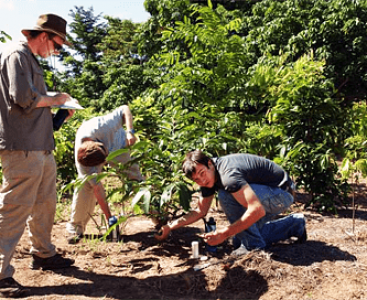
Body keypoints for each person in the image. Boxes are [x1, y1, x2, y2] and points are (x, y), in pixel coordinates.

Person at [0, 14, 76, 298]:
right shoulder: (16, 55)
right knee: (14, 208)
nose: (56, 51)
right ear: (44, 36)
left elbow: (33, 106)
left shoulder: (29, 59)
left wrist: (59, 113)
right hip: (22, 148)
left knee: (45, 204)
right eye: (57, 45)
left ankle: (43, 254)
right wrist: (55, 99)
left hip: (40, 146)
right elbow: (22, 98)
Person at [156, 150, 307, 256]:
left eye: (202, 173)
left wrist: (225, 233)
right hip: (269, 194)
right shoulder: (209, 177)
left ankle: (253, 247)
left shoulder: (228, 176)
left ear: (209, 164)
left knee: (226, 196)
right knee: (239, 239)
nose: (202, 180)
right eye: (196, 179)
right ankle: (295, 224)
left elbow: (257, 210)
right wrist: (170, 226)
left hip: (281, 193)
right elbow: (200, 211)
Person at [66, 105, 144, 244]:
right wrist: (109, 218)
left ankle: (159, 216)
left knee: (135, 180)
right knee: (85, 186)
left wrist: (130, 132)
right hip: (95, 157)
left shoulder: (103, 126)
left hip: (118, 143)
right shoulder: (85, 165)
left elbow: (125, 108)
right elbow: (98, 189)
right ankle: (75, 229)